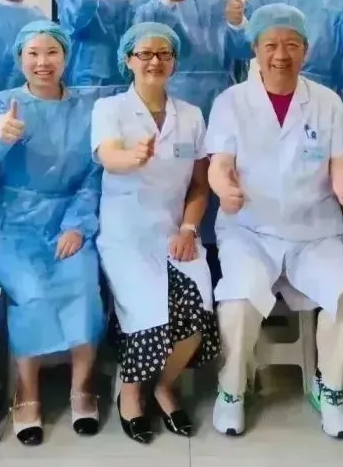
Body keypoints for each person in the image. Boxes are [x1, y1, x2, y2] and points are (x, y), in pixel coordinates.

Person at [207, 4, 343, 439]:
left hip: (313, 231)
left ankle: (330, 388)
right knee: (238, 302)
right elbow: (219, 163)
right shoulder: (231, 102)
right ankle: (231, 390)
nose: (281, 55)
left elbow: (341, 163)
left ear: (306, 50)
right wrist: (224, 189)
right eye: (271, 45)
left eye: (292, 45)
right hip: (249, 230)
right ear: (255, 49)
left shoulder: (327, 102)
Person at [0, 20, 104, 446]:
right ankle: (26, 393)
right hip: (12, 223)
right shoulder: (2, 103)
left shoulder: (89, 106)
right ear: (19, 59)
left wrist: (77, 225)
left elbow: (94, 175)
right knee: (30, 292)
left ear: (66, 57)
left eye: (52, 52)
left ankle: (83, 387)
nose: (42, 62)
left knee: (83, 287)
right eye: (33, 53)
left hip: (69, 218)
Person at [91, 22, 220, 444]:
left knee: (198, 309)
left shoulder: (192, 115)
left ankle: (165, 385)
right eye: (144, 54)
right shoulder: (110, 109)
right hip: (126, 236)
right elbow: (109, 156)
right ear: (128, 60)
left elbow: (199, 185)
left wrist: (188, 229)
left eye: (164, 54)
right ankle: (130, 393)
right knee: (148, 312)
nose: (154, 61)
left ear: (174, 62)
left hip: (174, 234)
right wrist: (133, 157)